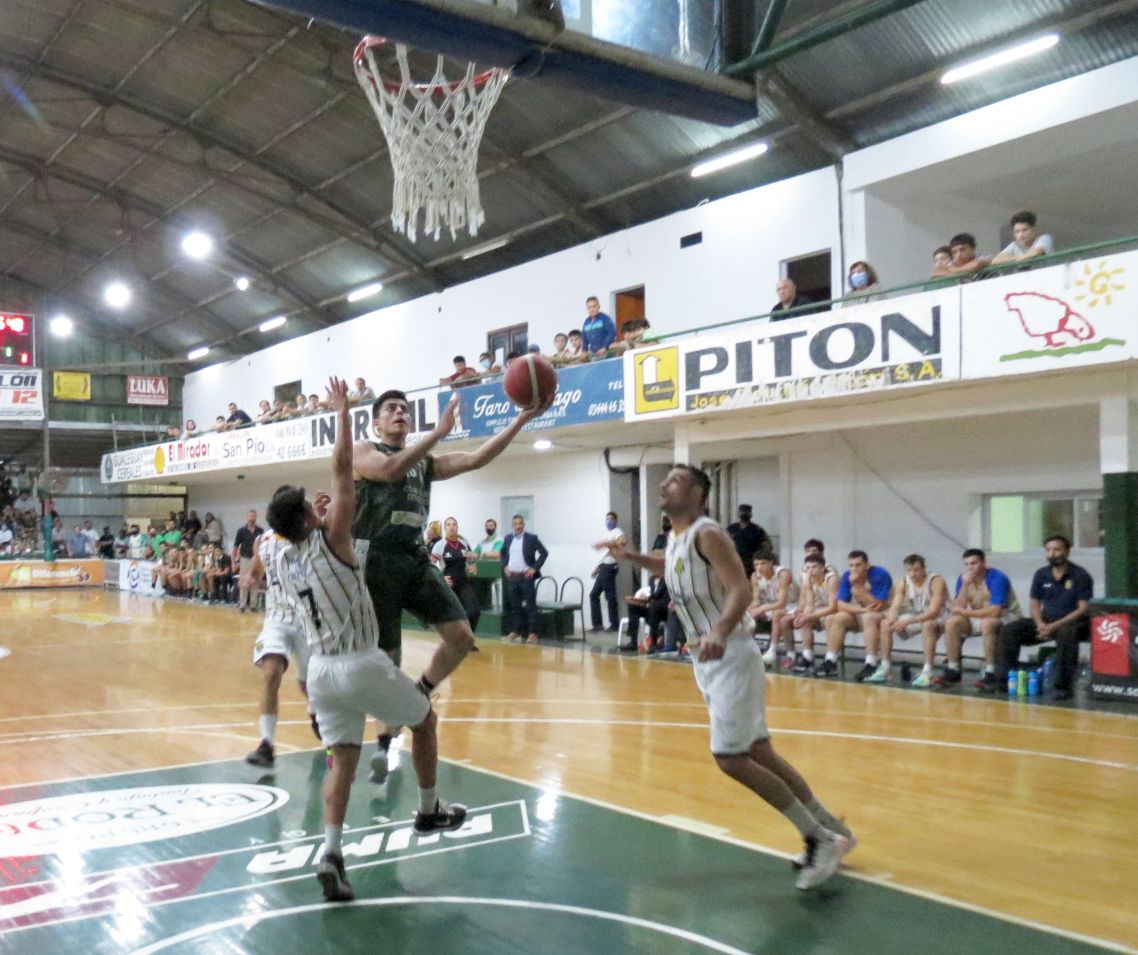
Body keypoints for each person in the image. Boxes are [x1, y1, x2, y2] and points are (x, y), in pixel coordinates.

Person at [264, 377, 466, 903]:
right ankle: (428, 811)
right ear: (313, 516)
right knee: (424, 718)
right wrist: (342, 414)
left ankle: (332, 853)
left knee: (342, 764)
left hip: (322, 676)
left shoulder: (282, 559)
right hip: (359, 663)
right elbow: (342, 467)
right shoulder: (338, 539)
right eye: (316, 504)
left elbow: (330, 486)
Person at [604, 464, 853, 890]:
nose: (664, 485)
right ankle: (834, 829)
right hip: (711, 657)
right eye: (664, 481)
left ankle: (818, 837)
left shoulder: (709, 533)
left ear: (699, 495)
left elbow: (741, 589)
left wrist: (719, 629)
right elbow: (669, 564)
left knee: (730, 758)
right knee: (760, 753)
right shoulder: (681, 538)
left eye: (675, 481)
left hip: (730, 652)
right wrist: (630, 557)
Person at [352, 387, 552, 780]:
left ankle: (421, 690)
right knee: (388, 660)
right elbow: (389, 471)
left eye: (404, 409)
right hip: (375, 561)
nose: (399, 413)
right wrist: (438, 432)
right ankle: (384, 743)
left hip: (413, 557)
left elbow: (477, 458)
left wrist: (522, 419)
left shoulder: (423, 463)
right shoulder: (363, 450)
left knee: (462, 635)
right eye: (391, 409)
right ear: (376, 422)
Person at [242, 515, 322, 768]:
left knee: (310, 686)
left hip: (309, 620)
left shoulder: (313, 536)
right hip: (277, 619)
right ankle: (266, 744)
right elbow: (256, 569)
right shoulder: (265, 540)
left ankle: (315, 712)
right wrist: (251, 577)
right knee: (271, 673)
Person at [990, 535, 1092, 701]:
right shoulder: (1041, 574)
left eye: (1057, 549)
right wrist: (1039, 623)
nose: (1053, 553)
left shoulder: (1080, 575)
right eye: (1049, 550)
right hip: (1045, 621)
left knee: (1067, 634)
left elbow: (1083, 609)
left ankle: (1062, 687)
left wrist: (1054, 625)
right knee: (1010, 630)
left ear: (1067, 551)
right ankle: (1004, 681)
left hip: (1072, 622)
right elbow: (1034, 603)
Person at [933, 548, 1020, 691]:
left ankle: (991, 671)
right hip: (977, 615)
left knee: (988, 623)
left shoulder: (998, 578)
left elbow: (996, 611)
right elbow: (958, 606)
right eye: (966, 564)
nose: (970, 567)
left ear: (984, 563)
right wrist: (965, 585)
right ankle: (953, 668)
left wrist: (965, 612)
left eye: (974, 563)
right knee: (951, 622)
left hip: (1007, 616)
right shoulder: (963, 579)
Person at [875, 554, 948, 687]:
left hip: (940, 618)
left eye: (916, 570)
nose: (912, 574)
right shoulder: (903, 582)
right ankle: (885, 668)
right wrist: (892, 618)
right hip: (916, 616)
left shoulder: (936, 581)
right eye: (909, 570)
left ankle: (927, 671)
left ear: (924, 569)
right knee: (885, 623)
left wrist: (908, 622)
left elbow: (933, 612)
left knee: (927, 625)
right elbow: (895, 606)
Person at [817, 551, 892, 679]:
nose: (854, 569)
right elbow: (840, 605)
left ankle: (871, 663)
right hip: (863, 612)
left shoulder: (880, 574)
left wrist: (857, 586)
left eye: (858, 565)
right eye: (851, 565)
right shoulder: (847, 576)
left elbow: (878, 606)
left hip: (885, 612)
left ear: (867, 565)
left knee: (869, 617)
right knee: (836, 617)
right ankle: (831, 661)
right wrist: (862, 611)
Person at [784, 553, 839, 674]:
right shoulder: (809, 580)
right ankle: (808, 656)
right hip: (824, 609)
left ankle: (831, 660)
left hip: (843, 609)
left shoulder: (831, 579)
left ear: (823, 568)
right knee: (805, 619)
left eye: (814, 567)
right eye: (807, 568)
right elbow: (809, 604)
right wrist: (804, 616)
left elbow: (834, 607)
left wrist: (809, 615)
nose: (810, 571)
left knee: (829, 619)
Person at [500, 514, 548, 644]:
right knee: (515, 606)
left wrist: (534, 568)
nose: (518, 526)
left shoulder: (532, 538)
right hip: (513, 577)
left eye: (520, 523)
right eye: (515, 524)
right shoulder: (508, 538)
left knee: (531, 606)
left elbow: (544, 553)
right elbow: (503, 553)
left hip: (526, 577)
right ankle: (516, 631)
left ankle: (533, 634)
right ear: (512, 525)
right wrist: (505, 566)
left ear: (523, 525)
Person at [431, 517, 481, 634]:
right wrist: (441, 578)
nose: (452, 527)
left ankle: (468, 638)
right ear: (445, 528)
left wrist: (470, 567)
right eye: (448, 525)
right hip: (449, 584)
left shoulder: (463, 544)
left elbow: (466, 560)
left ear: (457, 527)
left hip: (463, 583)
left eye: (454, 524)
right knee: (453, 616)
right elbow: (430, 565)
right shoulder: (440, 545)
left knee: (474, 611)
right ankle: (455, 641)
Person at [589, 511, 626, 633]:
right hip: (603, 566)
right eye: (607, 519)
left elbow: (623, 541)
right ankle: (597, 624)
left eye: (611, 519)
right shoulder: (607, 533)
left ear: (615, 521)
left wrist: (609, 544)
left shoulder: (617, 532)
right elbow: (604, 554)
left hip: (610, 567)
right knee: (594, 594)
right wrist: (597, 567)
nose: (608, 522)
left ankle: (614, 624)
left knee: (610, 596)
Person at [232, 510, 264, 612]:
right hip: (245, 558)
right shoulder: (241, 531)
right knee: (244, 581)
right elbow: (235, 547)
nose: (251, 517)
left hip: (257, 559)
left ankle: (253, 605)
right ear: (247, 517)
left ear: (256, 517)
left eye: (253, 515)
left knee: (255, 581)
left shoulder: (260, 531)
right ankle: (242, 605)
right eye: (250, 515)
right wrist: (233, 562)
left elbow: (263, 546)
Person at [725, 504, 771, 573]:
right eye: (742, 512)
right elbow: (723, 543)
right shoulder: (731, 528)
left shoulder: (757, 530)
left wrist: (758, 558)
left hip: (750, 563)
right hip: (733, 561)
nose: (744, 514)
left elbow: (767, 546)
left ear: (750, 514)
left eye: (746, 512)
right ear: (738, 514)